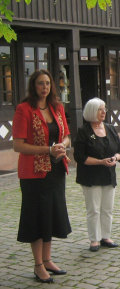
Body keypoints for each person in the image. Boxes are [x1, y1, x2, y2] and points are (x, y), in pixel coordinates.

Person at [12, 69, 71, 283]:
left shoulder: (57, 107)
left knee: (50, 215)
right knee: (37, 216)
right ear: (33, 85)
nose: (44, 87)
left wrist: (61, 147)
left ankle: (47, 259)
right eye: (40, 83)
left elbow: (66, 137)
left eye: (47, 83)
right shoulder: (24, 109)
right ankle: (38, 265)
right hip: (33, 174)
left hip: (55, 170)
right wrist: (48, 149)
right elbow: (18, 145)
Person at [73, 97, 120, 252]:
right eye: (100, 109)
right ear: (92, 112)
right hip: (91, 176)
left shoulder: (110, 128)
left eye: (104, 109)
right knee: (94, 209)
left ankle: (106, 236)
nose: (103, 112)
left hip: (109, 175)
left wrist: (115, 158)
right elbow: (79, 157)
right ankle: (94, 239)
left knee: (107, 208)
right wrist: (101, 161)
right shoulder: (84, 131)